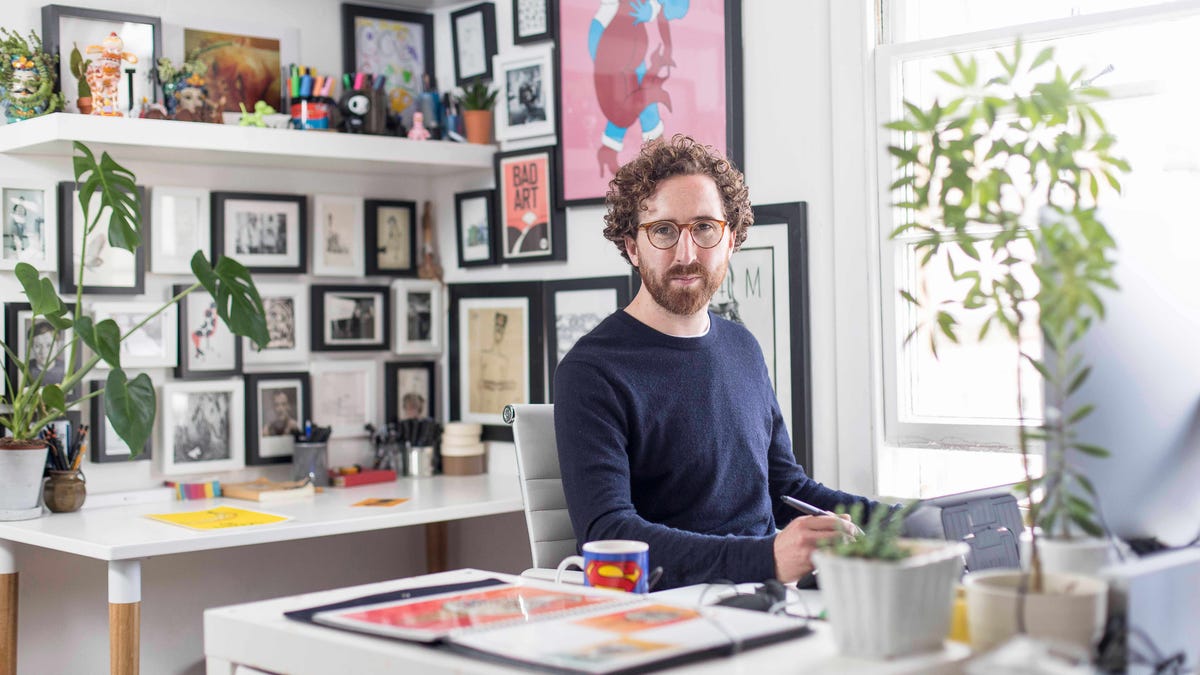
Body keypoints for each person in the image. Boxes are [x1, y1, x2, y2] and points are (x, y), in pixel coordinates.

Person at [554, 134, 884, 590]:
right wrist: (766, 558)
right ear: (633, 247)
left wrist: (903, 521)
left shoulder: (743, 347)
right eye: (663, 230)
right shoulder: (591, 371)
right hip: (674, 614)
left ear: (731, 239)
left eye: (705, 228)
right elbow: (607, 534)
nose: (686, 254)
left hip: (768, 597)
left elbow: (788, 491)